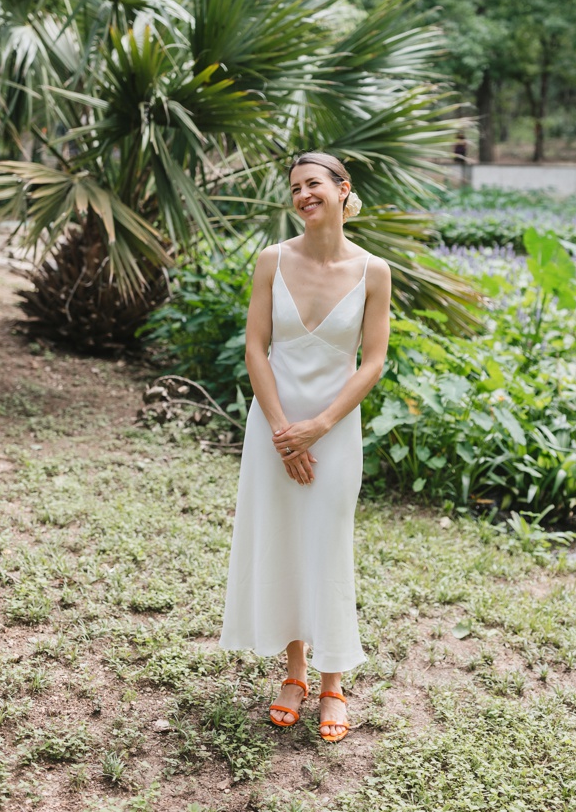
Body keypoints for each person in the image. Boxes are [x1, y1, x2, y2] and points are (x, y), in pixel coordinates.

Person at [217, 151, 391, 743]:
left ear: (343, 190)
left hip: (334, 429)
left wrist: (317, 427)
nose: (302, 195)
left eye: (313, 184)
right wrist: (281, 431)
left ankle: (333, 682)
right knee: (285, 542)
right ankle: (293, 676)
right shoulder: (272, 260)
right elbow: (255, 350)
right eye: (294, 188)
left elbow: (373, 363)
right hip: (272, 425)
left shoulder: (374, 271)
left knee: (327, 544)